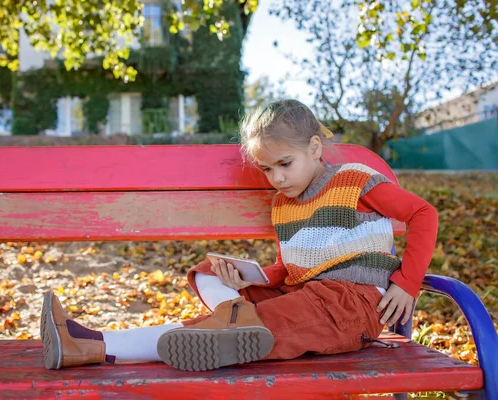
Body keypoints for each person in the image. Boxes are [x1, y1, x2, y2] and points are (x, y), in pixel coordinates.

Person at [40, 99, 439, 372]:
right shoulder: (284, 204)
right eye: (267, 169)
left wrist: (407, 283)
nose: (277, 178)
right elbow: (295, 269)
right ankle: (91, 342)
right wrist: (257, 278)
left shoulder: (354, 179)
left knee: (225, 332)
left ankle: (94, 344)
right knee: (209, 272)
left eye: (285, 163)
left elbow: (423, 213)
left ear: (315, 148)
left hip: (349, 303)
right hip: (302, 295)